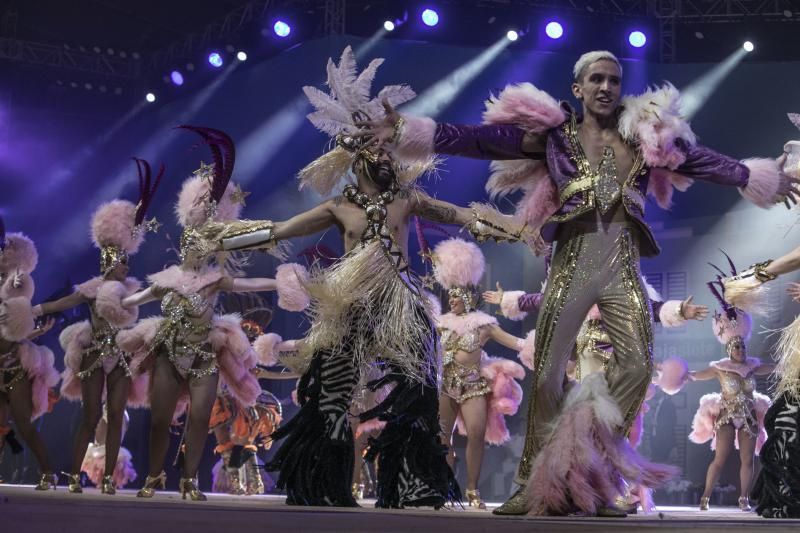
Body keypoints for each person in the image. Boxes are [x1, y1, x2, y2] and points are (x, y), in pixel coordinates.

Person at [357, 49, 798, 515]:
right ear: (578, 89)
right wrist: (408, 131)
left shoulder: (642, 136)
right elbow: (481, 140)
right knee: (548, 373)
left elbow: (696, 159)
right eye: (597, 79)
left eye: (613, 79)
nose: (606, 87)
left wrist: (751, 175)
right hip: (571, 264)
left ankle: (591, 480)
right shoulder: (555, 138)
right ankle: (532, 486)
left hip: (623, 266)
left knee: (637, 367)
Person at [197, 47, 527, 508]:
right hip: (350, 304)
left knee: (418, 390)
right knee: (333, 391)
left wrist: (519, 229)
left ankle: (411, 485)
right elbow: (278, 230)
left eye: (390, 149)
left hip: (402, 300)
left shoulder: (406, 200)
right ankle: (323, 484)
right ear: (356, 156)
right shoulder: (338, 207)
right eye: (376, 150)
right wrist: (221, 238)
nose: (386, 157)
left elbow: (460, 214)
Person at [117, 126, 308, 501]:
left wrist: (279, 282)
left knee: (202, 418)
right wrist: (114, 299)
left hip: (204, 355)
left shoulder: (215, 279)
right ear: (185, 247)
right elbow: (135, 299)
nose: (199, 253)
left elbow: (247, 285)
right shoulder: (166, 280)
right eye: (194, 247)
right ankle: (154, 477)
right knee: (159, 419)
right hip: (171, 354)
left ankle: (189, 481)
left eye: (206, 248)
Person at [32, 159, 161, 494]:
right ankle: (74, 475)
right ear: (110, 263)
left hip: (120, 356)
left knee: (116, 416)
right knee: (91, 416)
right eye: (122, 262)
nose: (126, 265)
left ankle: (106, 478)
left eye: (127, 262)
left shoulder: (133, 288)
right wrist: (34, 308)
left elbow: (153, 294)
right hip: (92, 355)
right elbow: (63, 304)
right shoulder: (91, 288)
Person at [430, 238, 532, 509]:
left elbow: (514, 342)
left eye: (456, 296)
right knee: (442, 438)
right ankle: (446, 487)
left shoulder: (483, 325)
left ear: (469, 297)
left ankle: (473, 489)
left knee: (476, 433)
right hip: (445, 386)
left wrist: (536, 346)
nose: (451, 300)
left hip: (473, 385)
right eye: (449, 296)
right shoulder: (441, 325)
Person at [688, 307, 772, 511]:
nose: (741, 351)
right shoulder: (720, 368)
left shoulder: (753, 367)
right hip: (727, 416)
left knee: (748, 460)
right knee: (720, 458)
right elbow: (696, 375)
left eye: (743, 347)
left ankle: (744, 498)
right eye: (737, 348)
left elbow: (776, 366)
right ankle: (705, 497)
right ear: (729, 350)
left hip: (749, 418)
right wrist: (677, 373)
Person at [0, 228, 59, 489]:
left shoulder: (17, 295)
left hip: (14, 367)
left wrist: (38, 330)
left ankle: (48, 472)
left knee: (23, 424)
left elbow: (17, 332)